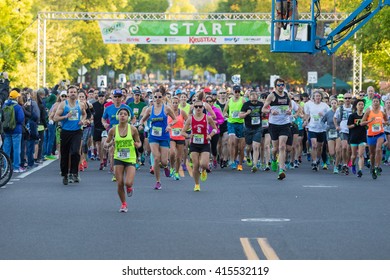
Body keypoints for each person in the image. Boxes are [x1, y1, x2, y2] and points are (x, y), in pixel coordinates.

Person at [139, 86, 177, 190]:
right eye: (155, 97)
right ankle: (158, 181)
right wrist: (141, 124)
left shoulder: (167, 108)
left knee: (164, 161)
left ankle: (165, 166)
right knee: (156, 158)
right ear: (153, 98)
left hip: (164, 136)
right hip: (153, 136)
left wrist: (170, 125)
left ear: (163, 97)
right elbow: (142, 120)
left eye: (159, 96)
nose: (157, 98)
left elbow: (175, 120)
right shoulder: (149, 109)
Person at [104, 108, 142, 213]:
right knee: (119, 183)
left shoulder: (133, 129)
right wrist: (111, 142)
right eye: (121, 114)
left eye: (125, 114)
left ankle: (129, 188)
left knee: (128, 182)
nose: (123, 116)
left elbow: (139, 142)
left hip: (130, 158)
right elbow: (105, 144)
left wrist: (137, 145)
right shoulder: (113, 130)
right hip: (118, 158)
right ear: (117, 116)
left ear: (128, 117)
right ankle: (123, 204)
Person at [181, 100, 218, 192]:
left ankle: (204, 170)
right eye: (196, 106)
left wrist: (210, 135)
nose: (198, 108)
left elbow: (215, 129)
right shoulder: (190, 119)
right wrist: (189, 136)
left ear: (203, 108)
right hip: (194, 144)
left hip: (205, 143)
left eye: (200, 107)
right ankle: (197, 184)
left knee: (204, 164)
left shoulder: (207, 118)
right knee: (196, 165)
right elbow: (183, 132)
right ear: (193, 108)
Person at [54, 85, 87, 185]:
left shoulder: (80, 104)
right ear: (68, 94)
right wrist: (65, 116)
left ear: (77, 93)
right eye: (71, 92)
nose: (73, 93)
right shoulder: (63, 105)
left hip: (77, 131)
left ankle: (74, 173)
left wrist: (82, 120)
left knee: (75, 152)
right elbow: (55, 118)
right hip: (65, 132)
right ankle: (65, 174)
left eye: (74, 92)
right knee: (64, 154)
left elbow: (85, 114)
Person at [262, 78, 292, 180]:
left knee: (282, 146)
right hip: (274, 124)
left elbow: (290, 106)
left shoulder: (287, 95)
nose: (281, 86)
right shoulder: (272, 95)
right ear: (275, 86)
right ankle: (274, 159)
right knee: (275, 148)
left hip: (285, 123)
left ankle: (281, 169)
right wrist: (270, 111)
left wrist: (289, 111)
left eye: (282, 84)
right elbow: (264, 108)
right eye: (279, 85)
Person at [361, 95, 388, 179]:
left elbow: (386, 120)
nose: (376, 103)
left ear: (379, 103)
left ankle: (377, 166)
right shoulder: (368, 111)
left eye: (377, 101)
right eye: (374, 101)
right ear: (372, 103)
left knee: (378, 149)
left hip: (380, 133)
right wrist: (369, 121)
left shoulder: (382, 112)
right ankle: (372, 167)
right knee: (372, 154)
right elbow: (362, 122)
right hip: (370, 134)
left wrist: (385, 122)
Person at [303, 91, 329, 171]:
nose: (317, 97)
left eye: (319, 96)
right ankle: (314, 161)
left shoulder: (325, 106)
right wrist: (306, 121)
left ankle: (317, 158)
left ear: (321, 97)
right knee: (314, 145)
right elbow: (307, 114)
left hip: (322, 128)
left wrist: (323, 115)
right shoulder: (309, 105)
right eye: (316, 96)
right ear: (313, 97)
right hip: (312, 127)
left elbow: (329, 115)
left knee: (320, 147)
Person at [239, 91, 264, 172]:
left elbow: (264, 113)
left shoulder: (261, 104)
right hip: (248, 128)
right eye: (252, 101)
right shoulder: (246, 104)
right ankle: (248, 156)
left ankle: (255, 164)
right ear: (249, 98)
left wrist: (263, 113)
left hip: (258, 128)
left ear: (258, 98)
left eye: (255, 101)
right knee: (249, 147)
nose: (254, 102)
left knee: (256, 146)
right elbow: (240, 116)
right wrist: (247, 113)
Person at [222, 85, 246, 171]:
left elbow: (247, 109)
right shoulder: (229, 101)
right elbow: (224, 111)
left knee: (239, 146)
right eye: (235, 92)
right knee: (232, 141)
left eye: (238, 91)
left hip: (240, 124)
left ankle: (237, 162)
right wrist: (225, 114)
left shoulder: (243, 100)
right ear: (233, 92)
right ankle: (232, 160)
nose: (237, 93)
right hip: (231, 123)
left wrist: (244, 115)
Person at [2, 90, 25, 172]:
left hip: (6, 130)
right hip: (16, 130)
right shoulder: (18, 107)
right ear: (16, 97)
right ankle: (16, 167)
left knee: (6, 149)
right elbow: (20, 119)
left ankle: (6, 167)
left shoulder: (4, 105)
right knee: (16, 149)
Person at [168, 96, 188, 180]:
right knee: (172, 153)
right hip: (171, 136)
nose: (175, 104)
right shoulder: (168, 112)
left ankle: (176, 172)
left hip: (180, 136)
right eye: (173, 103)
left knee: (179, 156)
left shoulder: (182, 112)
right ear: (171, 103)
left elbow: (188, 121)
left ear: (178, 103)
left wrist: (185, 129)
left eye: (176, 103)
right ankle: (172, 167)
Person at [334, 92, 353, 175]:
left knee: (349, 149)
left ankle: (346, 164)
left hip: (352, 130)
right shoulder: (340, 108)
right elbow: (335, 118)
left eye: (349, 98)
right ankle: (344, 164)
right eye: (346, 98)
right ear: (343, 99)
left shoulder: (354, 108)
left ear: (351, 99)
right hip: (343, 130)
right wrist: (337, 126)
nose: (347, 100)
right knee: (344, 147)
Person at [347, 99, 366, 177]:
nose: (361, 106)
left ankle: (360, 170)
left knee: (361, 154)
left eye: (362, 105)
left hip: (362, 137)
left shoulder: (365, 116)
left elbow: (367, 126)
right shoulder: (352, 116)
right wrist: (357, 124)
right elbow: (349, 126)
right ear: (356, 106)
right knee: (354, 155)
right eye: (359, 105)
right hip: (353, 137)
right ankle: (353, 164)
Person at [92, 91, 107, 170]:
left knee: (104, 145)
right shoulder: (94, 105)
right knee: (99, 145)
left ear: (105, 97)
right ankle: (101, 161)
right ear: (97, 97)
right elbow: (90, 115)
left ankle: (105, 157)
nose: (101, 97)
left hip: (105, 128)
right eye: (100, 96)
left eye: (102, 96)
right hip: (97, 127)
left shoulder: (108, 105)